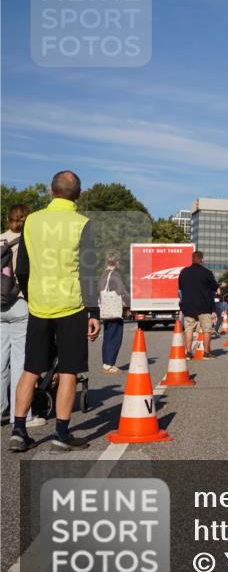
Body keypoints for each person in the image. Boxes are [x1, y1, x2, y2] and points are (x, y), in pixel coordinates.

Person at [9, 170, 101, 452]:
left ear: (51, 191)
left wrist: (31, 292)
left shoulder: (32, 221)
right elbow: (87, 271)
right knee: (70, 370)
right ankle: (61, 432)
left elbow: (21, 268)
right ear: (79, 195)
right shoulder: (82, 223)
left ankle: (19, 430)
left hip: (39, 305)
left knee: (31, 368)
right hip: (70, 306)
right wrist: (93, 311)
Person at [1, 204, 42, 428]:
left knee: (0, 362)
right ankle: (23, 415)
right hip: (19, 302)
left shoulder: (0, 239)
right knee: (20, 362)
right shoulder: (28, 242)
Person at [178, 251, 217, 359]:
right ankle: (207, 352)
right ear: (201, 260)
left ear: (192, 259)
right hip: (204, 306)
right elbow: (214, 287)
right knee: (206, 330)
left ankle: (189, 353)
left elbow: (180, 288)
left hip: (188, 306)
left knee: (189, 329)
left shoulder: (184, 272)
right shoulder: (207, 272)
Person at [99, 251, 130, 373]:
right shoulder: (115, 275)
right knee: (115, 337)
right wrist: (128, 306)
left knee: (107, 337)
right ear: (116, 262)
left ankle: (106, 362)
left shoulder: (103, 275)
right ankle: (109, 364)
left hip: (106, 309)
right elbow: (121, 292)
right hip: (115, 310)